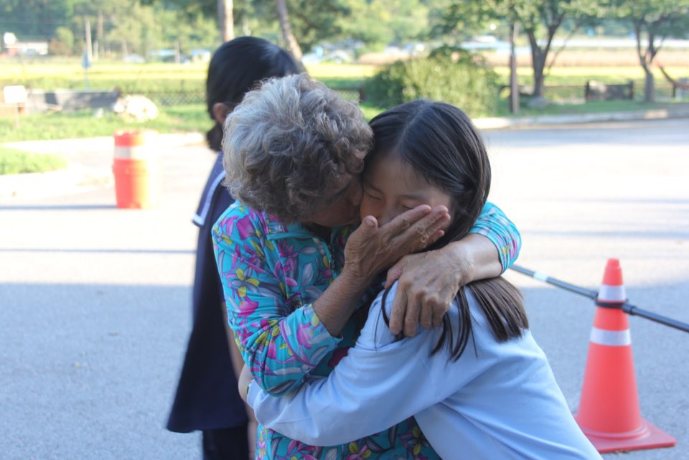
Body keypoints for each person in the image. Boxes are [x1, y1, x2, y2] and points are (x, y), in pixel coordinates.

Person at [244, 100, 602, 460]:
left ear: (462, 202)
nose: (384, 221)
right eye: (373, 195)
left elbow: (332, 415)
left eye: (408, 205)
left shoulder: (425, 297)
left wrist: (254, 392)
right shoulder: (464, 281)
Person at [213, 75, 522, 459]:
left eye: (359, 178)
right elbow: (267, 366)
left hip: (410, 442)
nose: (363, 197)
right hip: (305, 443)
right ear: (290, 210)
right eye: (342, 195)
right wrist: (354, 277)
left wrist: (454, 260)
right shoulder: (241, 232)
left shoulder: (364, 174)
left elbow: (496, 225)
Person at [166, 37, 300, 460]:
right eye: (272, 112)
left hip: (233, 381)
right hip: (243, 389)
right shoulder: (248, 188)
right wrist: (255, 408)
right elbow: (234, 297)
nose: (293, 122)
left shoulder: (234, 164)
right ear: (225, 115)